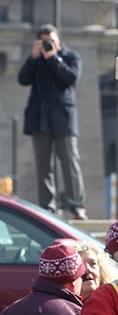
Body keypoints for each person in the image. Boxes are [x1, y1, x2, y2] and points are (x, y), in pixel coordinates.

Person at [17, 23, 88, 220]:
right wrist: (34, 57)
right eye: (43, 42)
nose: (48, 45)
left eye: (51, 41)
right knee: (43, 166)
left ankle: (76, 205)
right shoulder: (36, 60)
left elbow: (71, 78)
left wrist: (53, 58)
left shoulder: (70, 57)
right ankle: (47, 207)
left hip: (63, 118)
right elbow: (22, 79)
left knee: (70, 161)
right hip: (39, 118)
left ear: (58, 40)